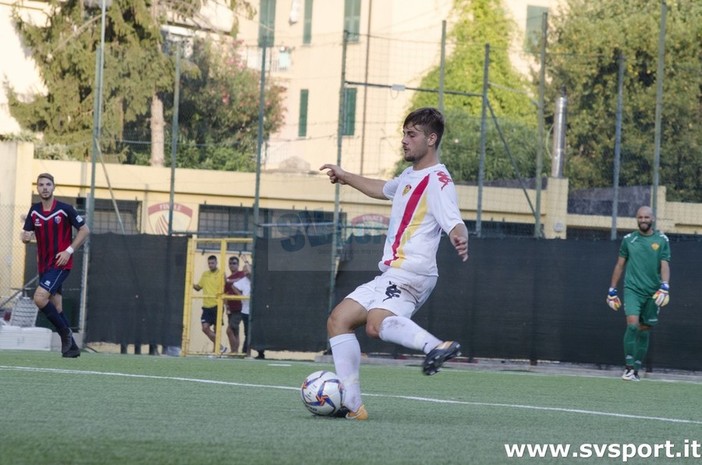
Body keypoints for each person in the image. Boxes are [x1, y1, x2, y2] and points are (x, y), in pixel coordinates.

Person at [320, 107, 469, 421]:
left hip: (413, 272)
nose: (404, 140)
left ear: (431, 139)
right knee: (339, 320)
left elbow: (454, 220)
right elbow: (380, 189)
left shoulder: (438, 179)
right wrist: (344, 176)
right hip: (392, 272)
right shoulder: (408, 176)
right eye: (404, 133)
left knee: (375, 324)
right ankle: (353, 405)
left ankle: (436, 346)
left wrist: (459, 235)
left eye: (411, 134)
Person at [21, 173, 90, 358]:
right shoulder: (34, 211)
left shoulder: (65, 209)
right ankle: (72, 348)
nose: (44, 187)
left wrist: (69, 251)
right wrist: (25, 237)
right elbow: (26, 235)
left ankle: (64, 334)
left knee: (40, 298)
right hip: (43, 265)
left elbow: (85, 230)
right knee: (57, 307)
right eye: (41, 184)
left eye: (48, 184)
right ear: (37, 188)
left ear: (53, 187)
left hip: (60, 264)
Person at [607, 206, 671, 382]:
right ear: (637, 219)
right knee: (633, 325)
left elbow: (665, 264)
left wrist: (665, 286)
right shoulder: (629, 240)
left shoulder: (662, 239)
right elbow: (620, 265)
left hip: (653, 292)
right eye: (640, 217)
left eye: (646, 217)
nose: (643, 220)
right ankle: (628, 368)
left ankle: (636, 369)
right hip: (632, 289)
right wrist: (612, 290)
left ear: (653, 219)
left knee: (644, 330)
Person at [193, 255, 225, 353]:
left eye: (212, 263)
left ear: (216, 263)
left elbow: (225, 286)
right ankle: (220, 347)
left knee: (217, 329)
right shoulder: (205, 274)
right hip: (206, 306)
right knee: (205, 328)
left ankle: (215, 351)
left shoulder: (221, 273)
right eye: (209, 263)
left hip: (217, 305)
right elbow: (198, 287)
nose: (210, 265)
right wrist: (190, 282)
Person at [224, 256, 246, 353]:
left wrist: (228, 281)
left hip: (239, 308)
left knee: (229, 330)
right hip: (231, 308)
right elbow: (225, 294)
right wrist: (226, 307)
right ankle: (236, 352)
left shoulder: (241, 274)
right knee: (235, 332)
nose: (232, 265)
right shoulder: (228, 279)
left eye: (234, 263)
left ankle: (234, 351)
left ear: (238, 265)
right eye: (230, 263)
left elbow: (239, 280)